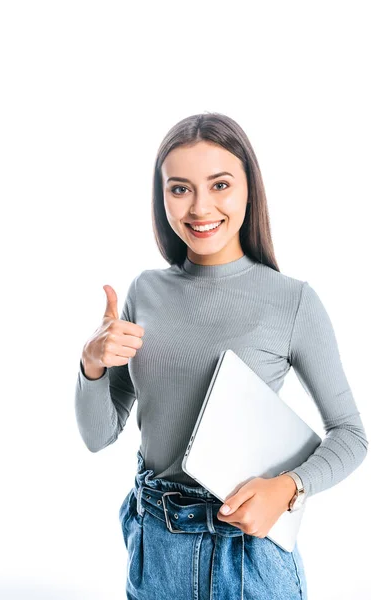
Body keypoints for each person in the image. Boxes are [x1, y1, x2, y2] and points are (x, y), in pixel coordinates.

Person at [75, 112, 368, 600]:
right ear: (161, 196)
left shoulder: (292, 300)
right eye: (180, 189)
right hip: (156, 547)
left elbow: (352, 435)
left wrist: (289, 488)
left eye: (220, 184)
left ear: (248, 189)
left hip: (249, 556)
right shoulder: (143, 292)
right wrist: (91, 363)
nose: (200, 207)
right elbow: (98, 434)